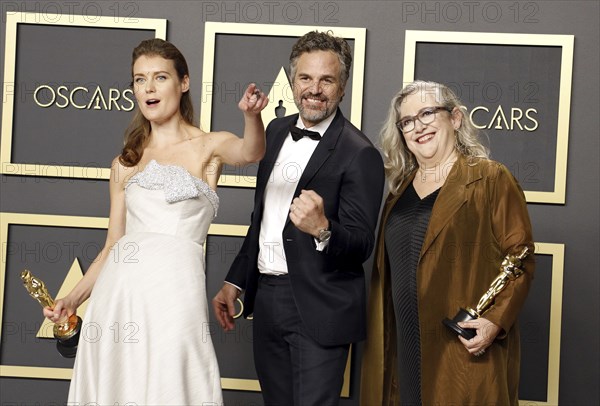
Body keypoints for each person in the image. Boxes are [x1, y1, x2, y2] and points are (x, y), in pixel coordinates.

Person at [43, 38, 268, 405]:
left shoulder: (209, 147)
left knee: (174, 382)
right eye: (139, 79)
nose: (148, 88)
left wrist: (251, 115)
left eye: (160, 77)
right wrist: (73, 297)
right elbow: (113, 245)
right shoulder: (125, 163)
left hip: (176, 291)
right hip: (119, 296)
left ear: (183, 83)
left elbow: (251, 151)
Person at [212, 31, 385, 405]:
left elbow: (362, 243)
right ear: (293, 82)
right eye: (306, 78)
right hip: (268, 299)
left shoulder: (361, 154)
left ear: (342, 87)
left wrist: (323, 229)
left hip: (320, 306)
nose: (315, 89)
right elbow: (262, 218)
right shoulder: (274, 131)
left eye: (327, 80)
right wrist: (235, 280)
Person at [360, 80, 535, 405]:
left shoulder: (490, 179)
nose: (418, 127)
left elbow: (520, 259)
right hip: (404, 352)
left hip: (462, 352)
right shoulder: (397, 194)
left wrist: (495, 321)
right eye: (407, 121)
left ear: (454, 118)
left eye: (427, 113)